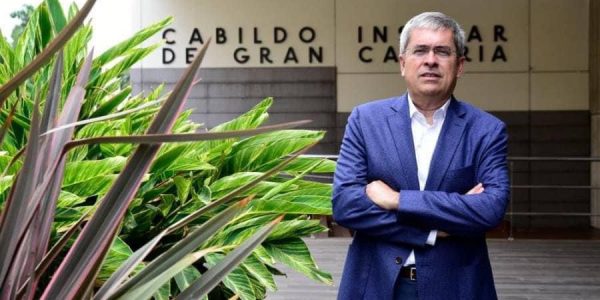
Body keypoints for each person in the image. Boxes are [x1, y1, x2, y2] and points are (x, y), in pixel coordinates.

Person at [332, 12, 510, 300]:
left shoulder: (486, 130)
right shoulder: (365, 120)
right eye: (420, 50)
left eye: (442, 51)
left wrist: (397, 200)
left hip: (457, 287)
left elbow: (490, 209)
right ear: (403, 63)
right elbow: (346, 205)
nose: (431, 60)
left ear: (460, 65)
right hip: (375, 286)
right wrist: (430, 231)